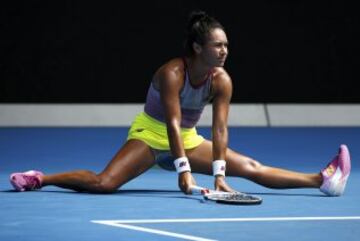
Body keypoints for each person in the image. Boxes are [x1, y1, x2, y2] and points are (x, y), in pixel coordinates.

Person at [10, 11, 351, 196]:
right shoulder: (172, 73)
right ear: (197, 47)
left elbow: (219, 129)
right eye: (217, 45)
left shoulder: (222, 80)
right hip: (151, 134)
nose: (225, 51)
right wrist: (184, 173)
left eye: (227, 45)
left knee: (250, 167)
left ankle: (322, 179)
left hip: (188, 138)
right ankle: (41, 178)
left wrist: (219, 175)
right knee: (104, 184)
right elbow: (171, 123)